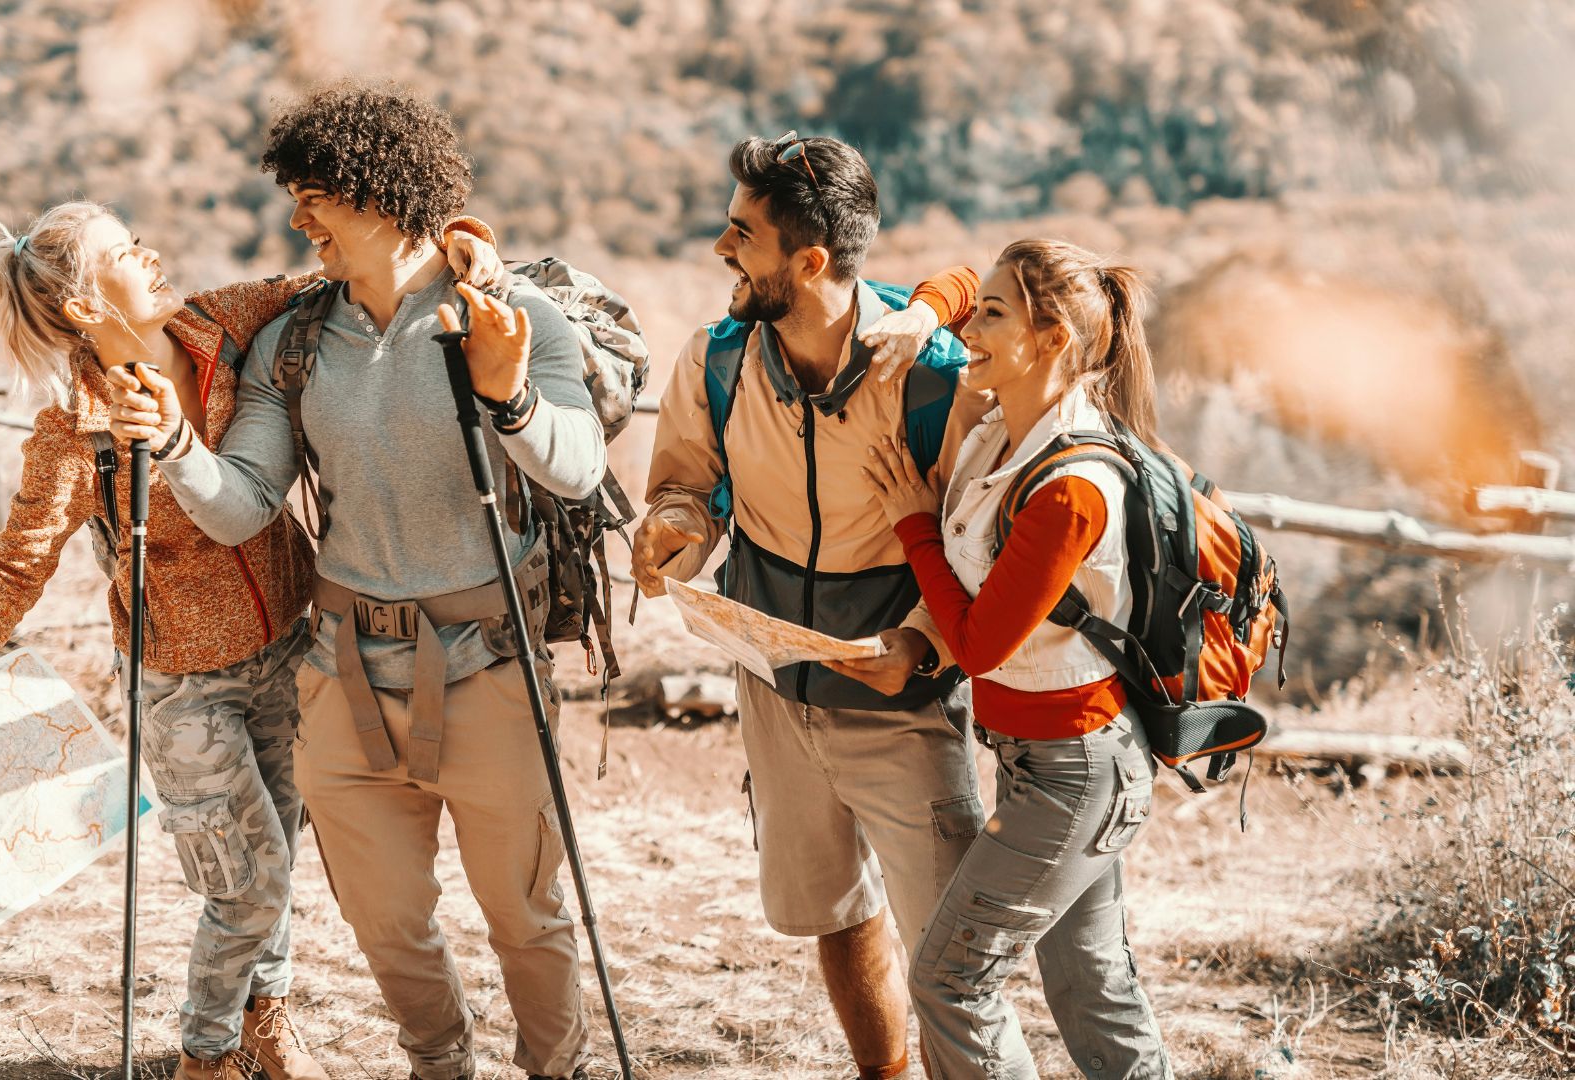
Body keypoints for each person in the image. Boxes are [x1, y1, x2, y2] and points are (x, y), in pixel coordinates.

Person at [0, 198, 506, 1080]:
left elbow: (341, 271)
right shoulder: (74, 434)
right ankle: (204, 1056)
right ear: (89, 308)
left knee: (278, 859)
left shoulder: (223, 324)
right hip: (180, 686)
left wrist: (453, 241)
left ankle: (267, 1020)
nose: (154, 255)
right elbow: (16, 568)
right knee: (245, 886)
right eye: (127, 253)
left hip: (289, 648)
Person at [105, 78, 605, 1080]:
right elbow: (243, 500)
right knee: (385, 922)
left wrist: (507, 401)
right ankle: (441, 1066)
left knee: (526, 915)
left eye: (313, 200)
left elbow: (579, 464)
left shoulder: (505, 319)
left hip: (490, 672)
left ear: (377, 198)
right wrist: (169, 438)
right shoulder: (294, 346)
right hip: (342, 677)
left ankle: (560, 1070)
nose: (298, 222)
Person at [631, 132, 984, 1080]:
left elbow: (981, 551)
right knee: (834, 908)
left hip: (909, 702)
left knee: (952, 951)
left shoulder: (934, 376)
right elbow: (687, 486)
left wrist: (918, 644)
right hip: (776, 691)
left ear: (809, 260)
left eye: (740, 234)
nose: (719, 249)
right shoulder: (714, 359)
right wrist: (672, 531)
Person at [847, 239, 1173, 1079]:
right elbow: (954, 284)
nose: (972, 328)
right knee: (1090, 988)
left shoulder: (1071, 485)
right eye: (979, 309)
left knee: (951, 982)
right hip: (1048, 765)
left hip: (1076, 773)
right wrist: (930, 309)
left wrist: (915, 523)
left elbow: (985, 646)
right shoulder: (1002, 430)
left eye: (995, 315)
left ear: (1051, 338)